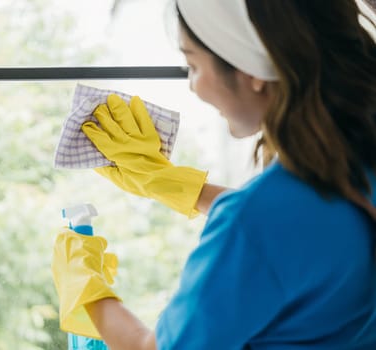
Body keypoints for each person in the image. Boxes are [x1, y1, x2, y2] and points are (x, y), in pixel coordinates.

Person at [51, 0, 376, 348]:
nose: (193, 85)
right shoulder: (355, 156)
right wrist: (173, 183)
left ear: (250, 70)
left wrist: (85, 287)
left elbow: (154, 346)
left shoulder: (252, 223)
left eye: (193, 65)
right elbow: (306, 227)